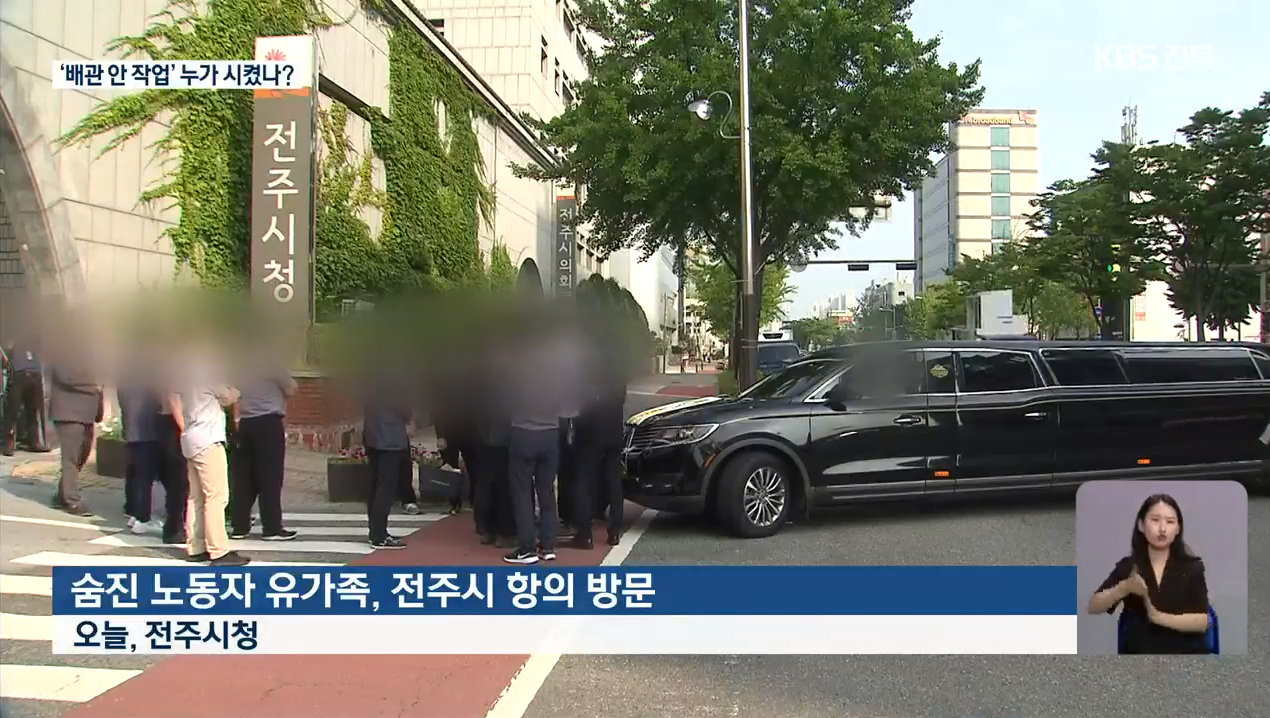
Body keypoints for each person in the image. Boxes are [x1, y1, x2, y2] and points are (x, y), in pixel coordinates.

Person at [1086, 493, 1212, 654]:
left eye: (1170, 522)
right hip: (1141, 652)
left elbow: (1202, 622)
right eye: (1155, 520)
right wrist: (1124, 587)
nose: (1162, 528)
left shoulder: (1192, 567)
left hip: (1185, 652)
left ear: (1178, 529)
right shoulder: (1130, 565)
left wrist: (1158, 617)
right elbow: (1094, 606)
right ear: (1141, 525)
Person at [168, 365, 250, 567]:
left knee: (196, 497)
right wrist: (235, 388)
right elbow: (229, 396)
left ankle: (196, 546)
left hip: (191, 437)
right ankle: (218, 550)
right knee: (216, 496)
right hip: (208, 439)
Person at [567, 318, 629, 549]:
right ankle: (615, 530)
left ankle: (584, 532)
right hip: (613, 427)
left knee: (584, 479)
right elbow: (621, 397)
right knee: (613, 478)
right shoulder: (618, 366)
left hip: (590, 428)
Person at [229, 366, 298, 541]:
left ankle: (240, 526)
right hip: (268, 421)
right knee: (270, 476)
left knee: (244, 476)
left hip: (245, 422)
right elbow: (291, 388)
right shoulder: (270, 363)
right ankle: (271, 527)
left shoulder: (239, 365)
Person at [47, 336, 104, 517]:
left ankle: (61, 495)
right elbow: (66, 375)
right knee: (71, 457)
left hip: (87, 412)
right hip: (69, 411)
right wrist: (94, 384)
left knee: (82, 454)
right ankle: (71, 500)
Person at [363, 371, 412, 550]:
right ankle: (379, 535)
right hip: (390, 439)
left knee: (376, 486)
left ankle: (375, 531)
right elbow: (403, 408)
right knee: (385, 489)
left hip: (373, 436)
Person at [118, 376, 165, 535]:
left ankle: (134, 511)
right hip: (148, 431)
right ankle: (142, 518)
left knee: (135, 473)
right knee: (145, 477)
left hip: (132, 430)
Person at [2, 333, 50, 455]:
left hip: (33, 373)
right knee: (13, 411)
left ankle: (34, 441)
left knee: (32, 410)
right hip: (19, 373)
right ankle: (8, 444)